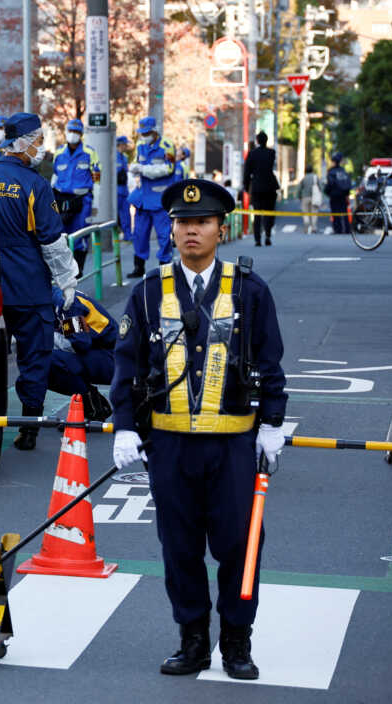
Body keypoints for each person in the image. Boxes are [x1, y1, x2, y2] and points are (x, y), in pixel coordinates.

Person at [109, 178, 287, 681]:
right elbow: (126, 364)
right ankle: (191, 641)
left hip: (233, 443)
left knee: (238, 546)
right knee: (180, 548)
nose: (192, 231)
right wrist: (125, 427)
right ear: (172, 230)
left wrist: (272, 422)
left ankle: (236, 643)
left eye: (202, 222)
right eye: (183, 223)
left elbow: (270, 360)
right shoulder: (147, 292)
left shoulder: (250, 290)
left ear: (220, 228)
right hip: (169, 445)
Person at [0, 113, 80, 450]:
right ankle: (28, 428)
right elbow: (52, 242)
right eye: (38, 140)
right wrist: (67, 281)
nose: (40, 148)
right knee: (34, 356)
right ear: (24, 142)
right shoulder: (35, 185)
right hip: (29, 285)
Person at [48, 287, 115, 422]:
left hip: (115, 358)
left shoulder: (66, 303)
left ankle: (91, 403)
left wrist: (44, 338)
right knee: (39, 364)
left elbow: (80, 342)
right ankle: (92, 401)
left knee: (47, 362)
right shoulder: (54, 299)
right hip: (104, 352)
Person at [127, 116, 180, 278]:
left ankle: (165, 267)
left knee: (164, 235)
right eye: (142, 133)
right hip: (143, 199)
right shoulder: (140, 146)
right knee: (140, 234)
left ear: (155, 130)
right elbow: (135, 165)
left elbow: (168, 168)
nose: (144, 136)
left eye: (147, 132)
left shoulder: (167, 146)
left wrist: (143, 170)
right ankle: (139, 266)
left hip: (160, 199)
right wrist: (138, 168)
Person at [52, 118, 101, 275]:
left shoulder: (90, 153)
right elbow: (54, 177)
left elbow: (97, 181)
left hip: (82, 200)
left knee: (80, 235)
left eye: (76, 132)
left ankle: (78, 269)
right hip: (62, 199)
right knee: (60, 235)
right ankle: (64, 270)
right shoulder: (59, 153)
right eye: (70, 131)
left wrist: (96, 205)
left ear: (81, 134)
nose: (73, 135)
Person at [242, 132, 280, 246]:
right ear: (267, 140)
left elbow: (247, 172)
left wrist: (246, 186)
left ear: (257, 141)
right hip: (270, 186)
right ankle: (268, 235)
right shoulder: (271, 153)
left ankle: (257, 239)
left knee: (257, 214)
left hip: (257, 186)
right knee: (269, 212)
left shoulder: (252, 154)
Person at [324, 152, 352, 234]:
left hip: (334, 195)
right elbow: (348, 183)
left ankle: (338, 230)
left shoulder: (331, 172)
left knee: (335, 213)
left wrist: (327, 192)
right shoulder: (343, 171)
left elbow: (330, 184)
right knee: (344, 212)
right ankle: (347, 229)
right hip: (343, 195)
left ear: (333, 161)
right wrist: (347, 194)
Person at [116, 136, 133, 241]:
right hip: (115, 190)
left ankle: (127, 235)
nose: (126, 146)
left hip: (124, 190)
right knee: (114, 215)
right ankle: (115, 235)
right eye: (125, 144)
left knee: (126, 214)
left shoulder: (125, 157)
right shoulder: (112, 156)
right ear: (120, 144)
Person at [296, 170, 323, 234]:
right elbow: (321, 187)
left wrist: (299, 196)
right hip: (314, 198)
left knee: (305, 212)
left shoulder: (304, 178)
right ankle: (314, 228)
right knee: (314, 213)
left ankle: (306, 224)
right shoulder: (316, 177)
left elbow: (299, 188)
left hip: (305, 197)